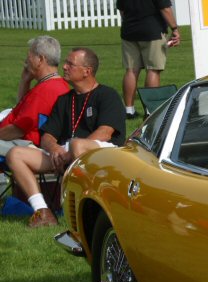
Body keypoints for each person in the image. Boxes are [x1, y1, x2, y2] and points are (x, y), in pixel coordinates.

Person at [5, 47, 126, 228]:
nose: (64, 67)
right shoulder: (64, 100)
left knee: (77, 144)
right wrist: (54, 149)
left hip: (102, 155)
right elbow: (47, 135)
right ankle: (43, 211)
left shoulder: (107, 95)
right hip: (65, 155)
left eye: (70, 64)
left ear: (87, 71)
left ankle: (85, 209)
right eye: (66, 63)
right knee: (15, 154)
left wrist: (69, 154)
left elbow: (105, 132)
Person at [0, 36, 70, 158]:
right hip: (23, 141)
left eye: (29, 56)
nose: (26, 61)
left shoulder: (45, 91)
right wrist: (25, 81)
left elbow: (18, 130)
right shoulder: (58, 84)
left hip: (30, 146)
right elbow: (21, 108)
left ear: (40, 59)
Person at [117, 0, 180, 118]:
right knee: (153, 70)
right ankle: (150, 110)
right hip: (152, 30)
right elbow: (165, 8)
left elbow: (122, 11)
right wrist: (175, 29)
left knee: (131, 70)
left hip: (129, 30)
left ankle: (129, 110)